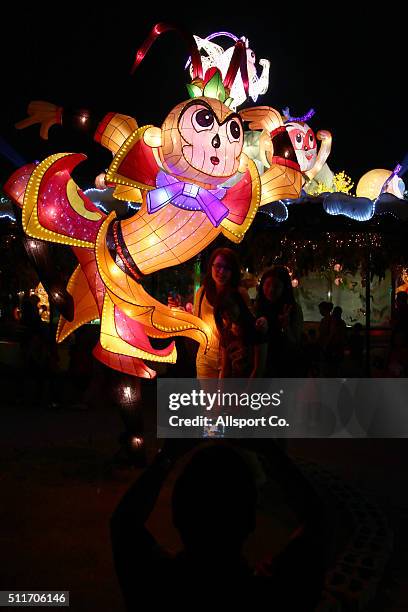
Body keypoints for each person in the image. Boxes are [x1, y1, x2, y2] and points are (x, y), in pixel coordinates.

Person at [110, 439, 332, 608]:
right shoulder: (274, 595)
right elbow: (317, 520)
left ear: (176, 517)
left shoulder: (154, 586)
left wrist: (168, 456)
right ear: (250, 521)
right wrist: (271, 452)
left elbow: (123, 522)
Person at [194, 248, 250, 378]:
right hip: (206, 357)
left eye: (227, 268)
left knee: (227, 398)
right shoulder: (202, 292)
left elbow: (247, 324)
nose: (221, 272)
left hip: (231, 357)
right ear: (211, 266)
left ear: (233, 271)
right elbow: (196, 321)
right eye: (218, 266)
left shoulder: (240, 294)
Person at [256, 266, 304, 377]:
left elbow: (296, 342)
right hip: (261, 366)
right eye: (267, 285)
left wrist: (286, 327)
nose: (271, 290)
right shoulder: (259, 306)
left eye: (276, 286)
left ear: (284, 288)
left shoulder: (292, 309)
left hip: (284, 368)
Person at [214, 290, 266, 378]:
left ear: (239, 305)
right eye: (222, 311)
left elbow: (258, 369)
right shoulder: (226, 332)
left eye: (230, 307)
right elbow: (226, 367)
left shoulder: (256, 327)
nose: (227, 313)